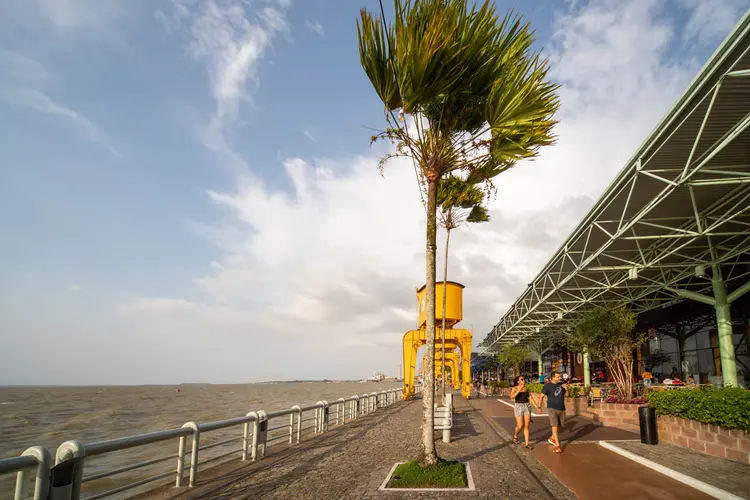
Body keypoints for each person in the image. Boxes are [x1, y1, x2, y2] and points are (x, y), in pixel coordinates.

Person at [539, 372, 567, 453]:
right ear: (552, 378)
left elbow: (566, 395)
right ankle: (558, 445)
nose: (559, 378)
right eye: (557, 377)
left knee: (559, 426)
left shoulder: (561, 385)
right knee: (554, 426)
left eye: (559, 377)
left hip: (562, 408)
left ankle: (552, 438)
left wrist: (566, 388)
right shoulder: (547, 386)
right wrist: (539, 407)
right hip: (552, 408)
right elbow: (541, 396)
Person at [510, 376, 535, 449]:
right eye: (522, 379)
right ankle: (515, 435)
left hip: (527, 406)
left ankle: (527, 444)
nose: (524, 380)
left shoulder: (527, 388)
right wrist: (519, 389)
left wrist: (537, 407)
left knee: (526, 426)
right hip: (518, 406)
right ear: (518, 381)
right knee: (520, 426)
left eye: (524, 379)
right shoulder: (515, 388)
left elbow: (530, 398)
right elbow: (511, 397)